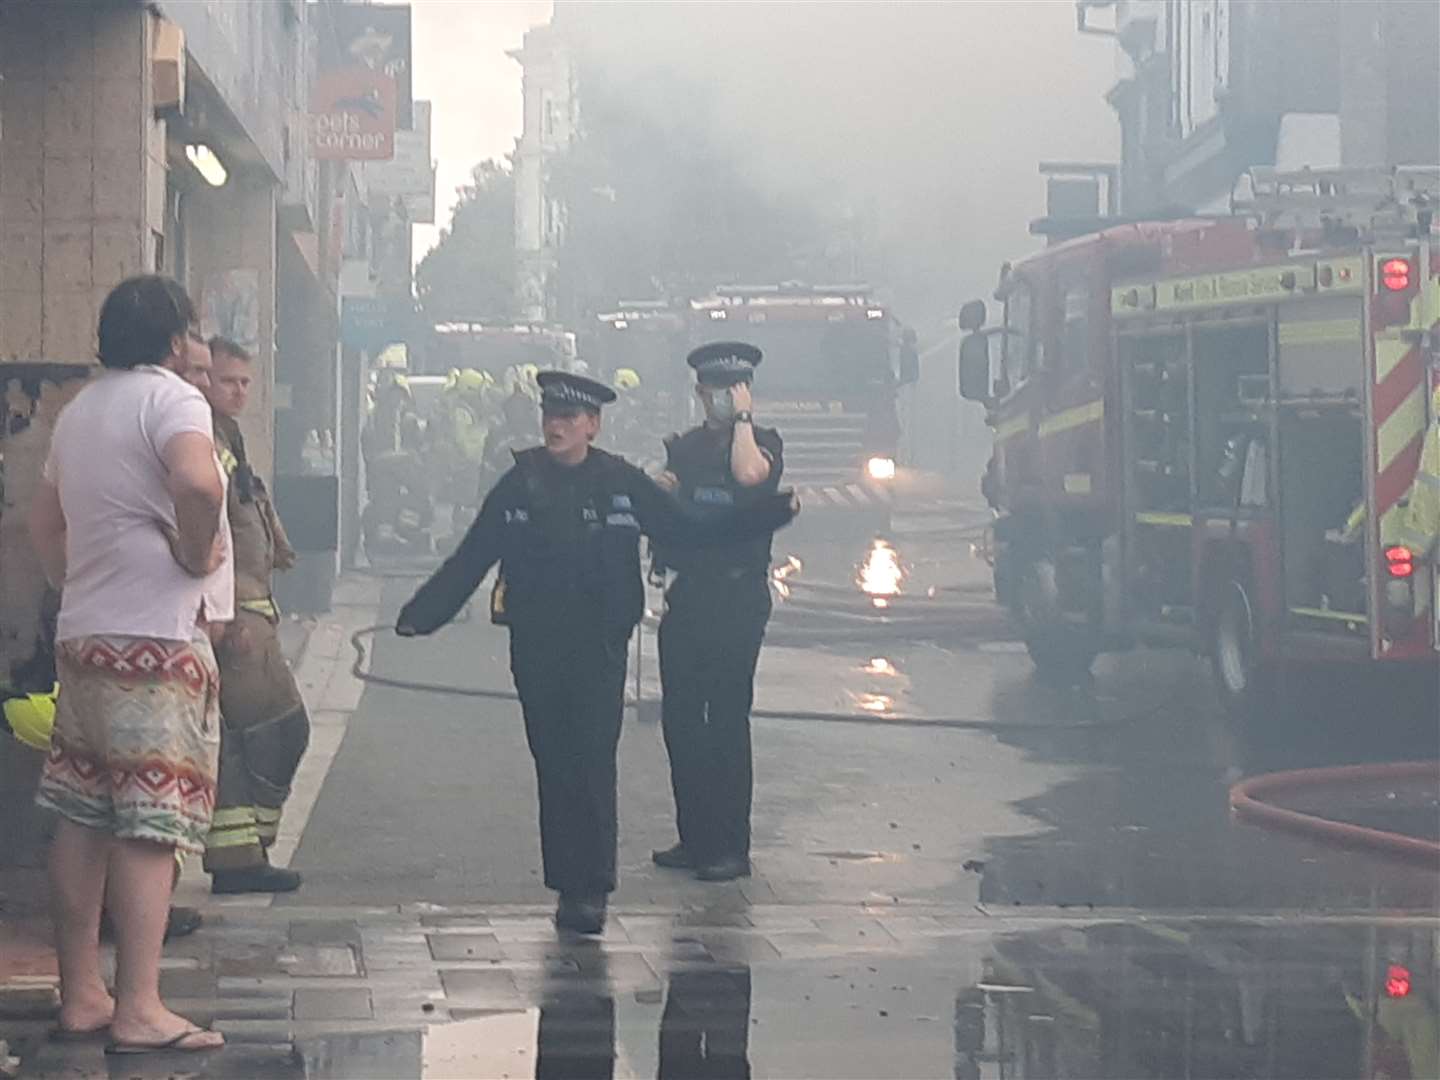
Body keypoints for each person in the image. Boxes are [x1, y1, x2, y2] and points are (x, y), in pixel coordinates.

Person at [395, 371, 798, 935]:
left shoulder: (619, 483)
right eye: (549, 416)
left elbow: (689, 529)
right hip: (536, 646)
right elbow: (473, 555)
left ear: (592, 425)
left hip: (599, 647)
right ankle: (567, 883)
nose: (555, 425)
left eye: (568, 418)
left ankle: (591, 890)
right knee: (554, 765)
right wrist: (423, 614)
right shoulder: (521, 483)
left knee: (590, 764)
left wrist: (765, 515)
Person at [28, 275, 229, 1054]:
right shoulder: (172, 400)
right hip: (158, 643)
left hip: (85, 637)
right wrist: (191, 548)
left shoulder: (81, 409)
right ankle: (140, 1005)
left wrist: (73, 580)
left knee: (81, 814)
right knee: (150, 824)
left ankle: (82, 992)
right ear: (175, 338)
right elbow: (198, 481)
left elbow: (44, 522)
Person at [651, 343, 782, 882]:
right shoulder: (683, 448)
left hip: (737, 596)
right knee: (682, 719)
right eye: (717, 390)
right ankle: (695, 835)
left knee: (726, 720)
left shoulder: (764, 444)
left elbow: (748, 477)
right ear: (700, 393)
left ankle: (730, 845)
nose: (724, 398)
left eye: (735, 389)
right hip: (689, 594)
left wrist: (744, 420)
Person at [199, 337, 310, 894]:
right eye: (227, 380)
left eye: (245, 381)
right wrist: (225, 615)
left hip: (253, 611)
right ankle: (240, 855)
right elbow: (209, 530)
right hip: (239, 618)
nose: (238, 391)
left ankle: (240, 853)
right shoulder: (203, 442)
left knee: (247, 737)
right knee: (280, 728)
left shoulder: (229, 439)